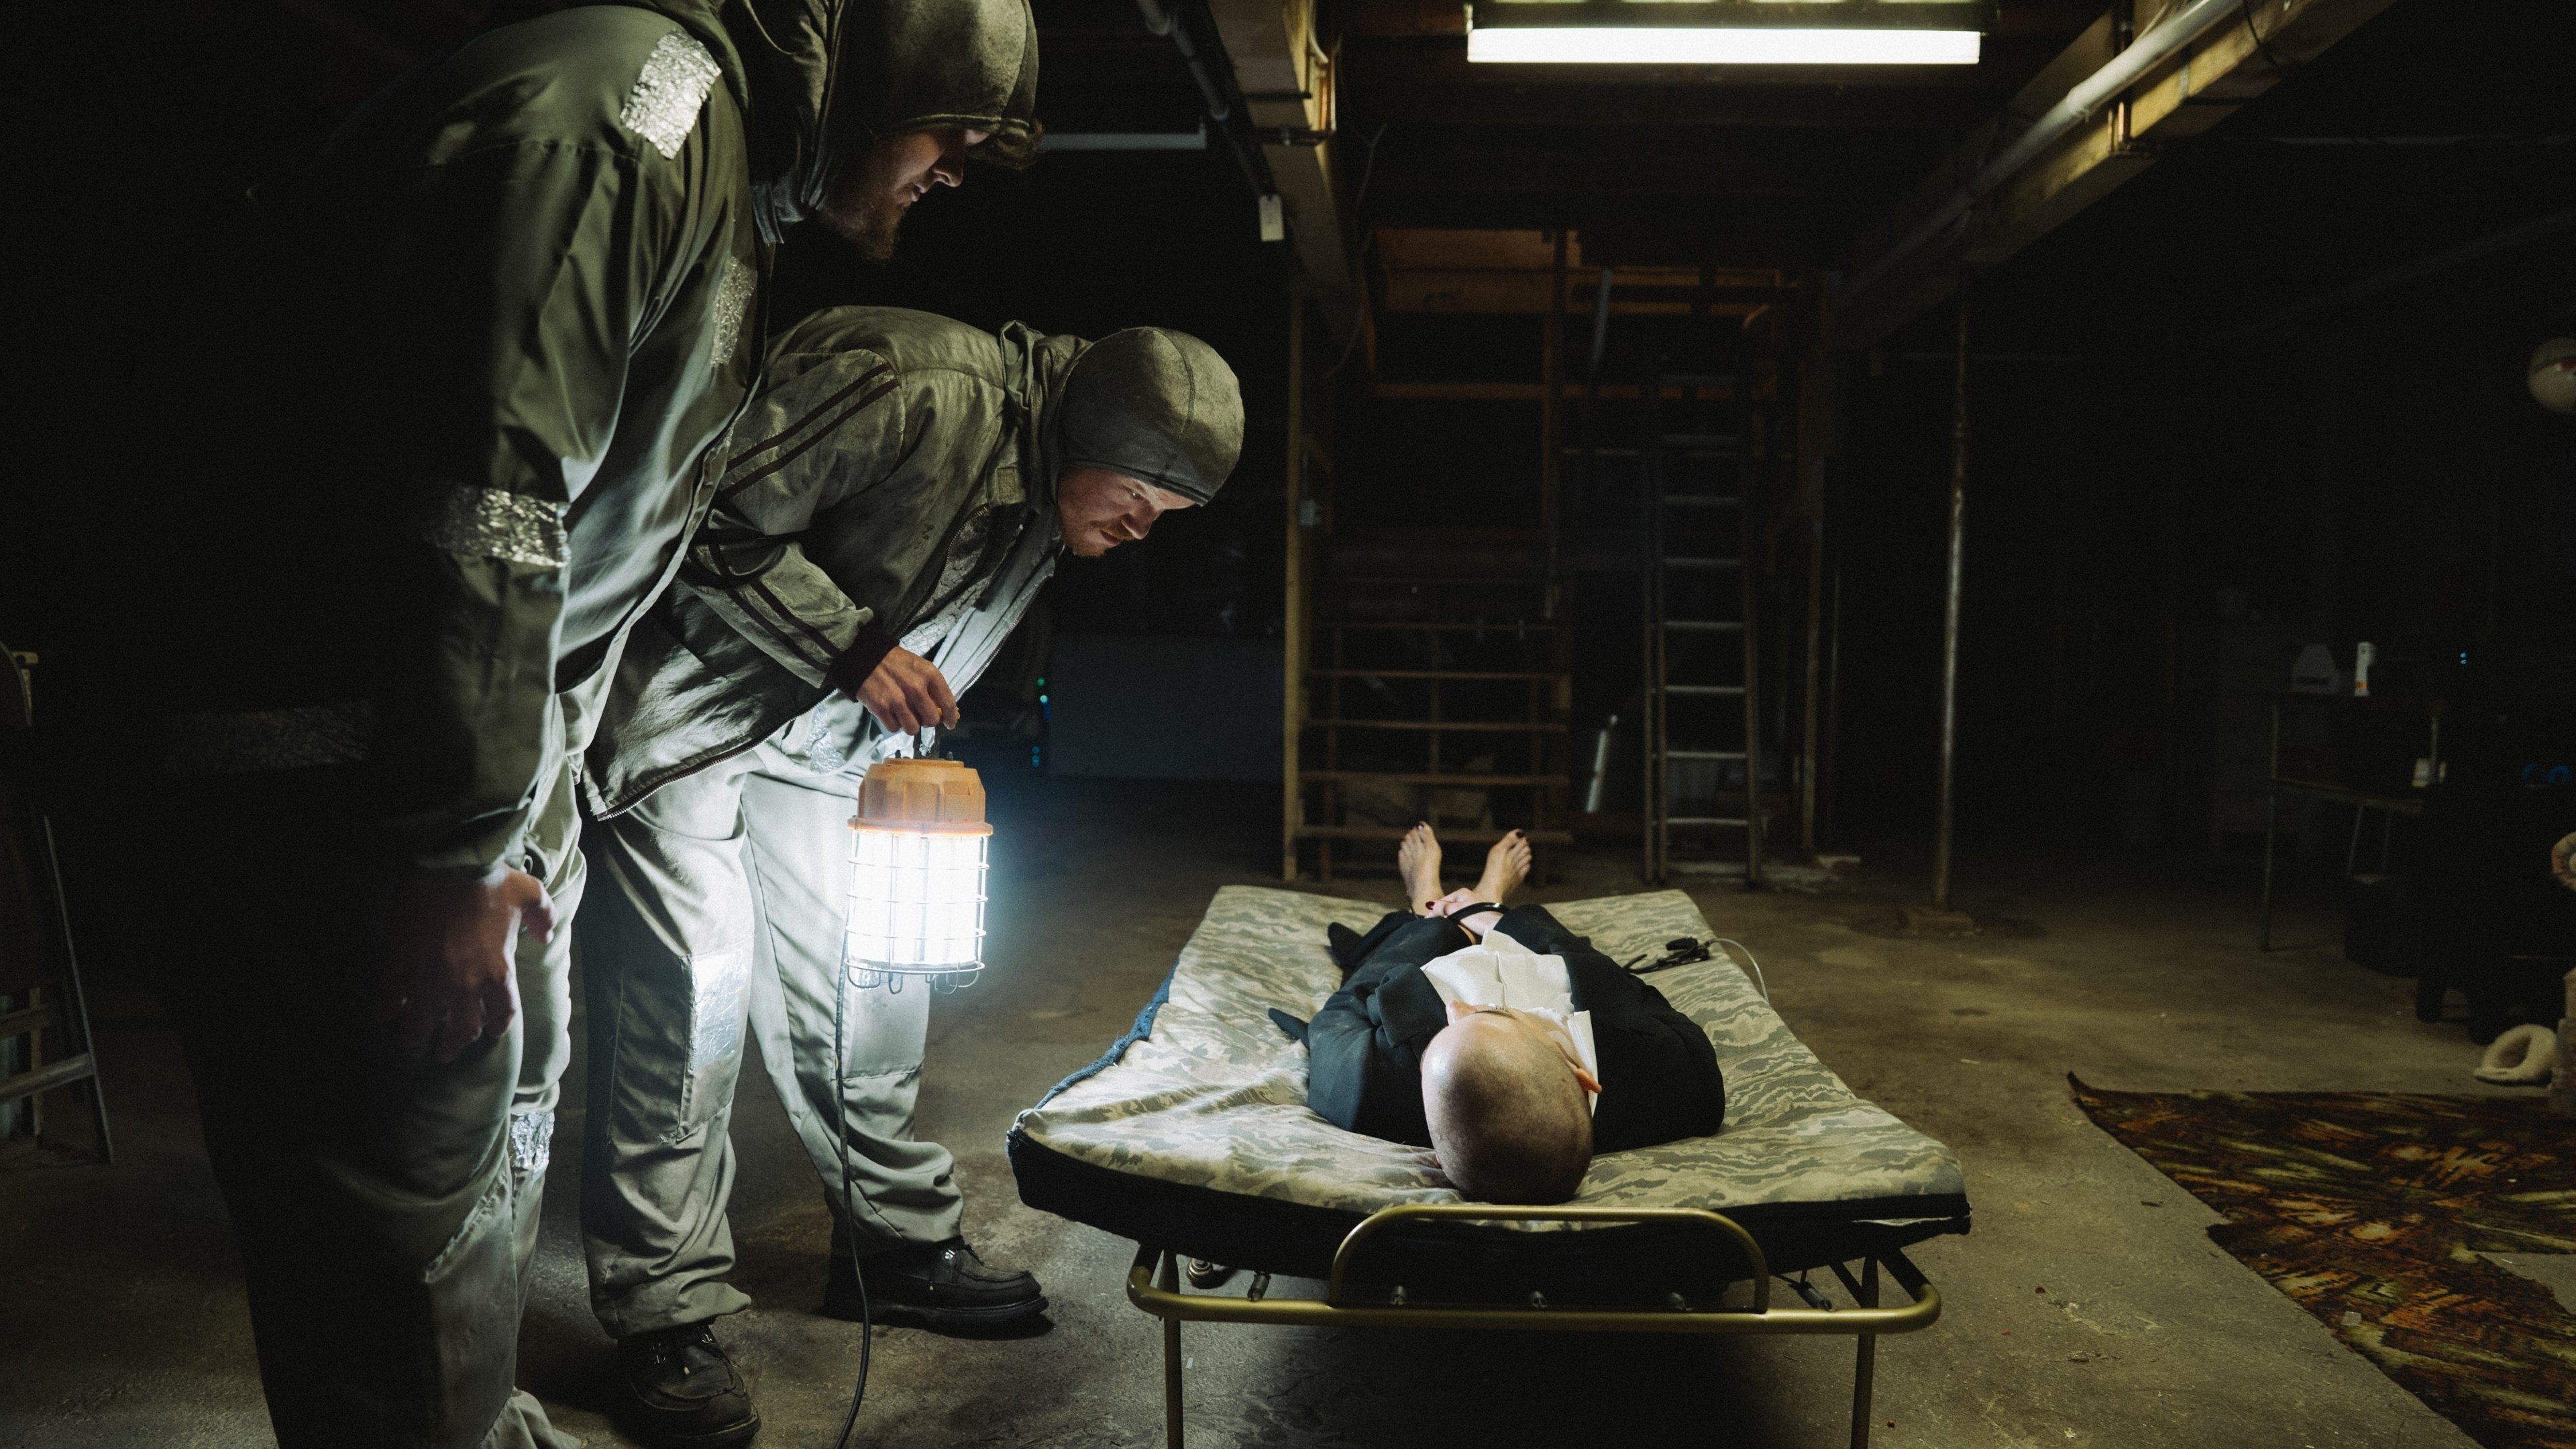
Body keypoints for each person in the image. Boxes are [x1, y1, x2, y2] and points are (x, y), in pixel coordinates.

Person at [129, 5, 1039, 1448]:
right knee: (403, 1172)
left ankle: (473, 1421)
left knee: (491, 1132)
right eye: (957, 131)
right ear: (873, 63)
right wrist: (453, 845)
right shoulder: (626, 119)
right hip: (357, 772)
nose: (960, 170)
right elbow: (488, 498)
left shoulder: (701, 158)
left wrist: (518, 808)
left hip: (477, 766)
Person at [574, 305, 1244, 1446]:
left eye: (1168, 517)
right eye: (1139, 500)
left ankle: (891, 1250)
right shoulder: (914, 385)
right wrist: (852, 647)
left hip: (827, 751)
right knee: (686, 1010)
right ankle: (663, 1319)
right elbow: (690, 513)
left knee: (870, 985)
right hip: (687, 721)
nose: (1145, 530)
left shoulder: (1051, 489)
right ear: (1088, 437)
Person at [1269, 824, 1727, 1204]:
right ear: (1580, 1074)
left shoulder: (1369, 1091)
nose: (1456, 1007)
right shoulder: (1681, 1085)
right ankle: (1486, 904)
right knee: (1564, 956)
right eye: (1497, 1015)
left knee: (1401, 959)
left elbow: (1347, 1005)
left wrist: (1430, 929)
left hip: (1427, 957)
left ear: (1436, 1158)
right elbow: (1633, 993)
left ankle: (1427, 903)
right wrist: (1502, 923)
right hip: (1534, 954)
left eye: (1454, 1024)